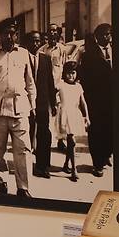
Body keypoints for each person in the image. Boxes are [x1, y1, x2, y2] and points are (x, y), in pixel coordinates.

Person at [0, 18, 36, 197]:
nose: (10, 37)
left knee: (23, 149)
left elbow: (30, 83)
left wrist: (33, 105)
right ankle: (1, 179)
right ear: (0, 35)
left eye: (13, 33)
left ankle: (23, 187)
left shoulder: (24, 54)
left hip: (20, 109)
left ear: (16, 34)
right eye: (6, 33)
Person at [79, 23, 114, 177]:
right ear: (96, 37)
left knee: (112, 130)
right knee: (96, 132)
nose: (106, 37)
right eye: (102, 35)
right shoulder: (89, 55)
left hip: (114, 100)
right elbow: (85, 79)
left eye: (108, 34)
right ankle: (97, 164)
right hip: (96, 101)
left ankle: (106, 154)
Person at [26, 31, 58, 179]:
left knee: (44, 134)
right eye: (33, 41)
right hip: (26, 103)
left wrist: (54, 102)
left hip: (43, 103)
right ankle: (26, 166)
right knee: (27, 134)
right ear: (27, 43)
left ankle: (43, 166)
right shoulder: (22, 58)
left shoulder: (46, 59)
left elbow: (50, 82)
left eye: (38, 41)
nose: (36, 44)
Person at [57, 61, 90, 182]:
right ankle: (74, 169)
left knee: (71, 142)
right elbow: (53, 92)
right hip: (65, 114)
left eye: (73, 73)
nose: (71, 76)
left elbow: (83, 102)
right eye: (68, 73)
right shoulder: (61, 84)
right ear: (64, 74)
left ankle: (66, 164)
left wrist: (87, 116)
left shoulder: (78, 86)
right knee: (72, 141)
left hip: (75, 114)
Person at [38, 23, 68, 151]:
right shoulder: (42, 50)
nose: (52, 33)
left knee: (60, 113)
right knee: (47, 114)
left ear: (58, 33)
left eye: (55, 31)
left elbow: (65, 67)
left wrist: (62, 85)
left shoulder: (62, 49)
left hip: (58, 86)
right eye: (50, 30)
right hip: (46, 87)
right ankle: (46, 141)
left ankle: (61, 140)